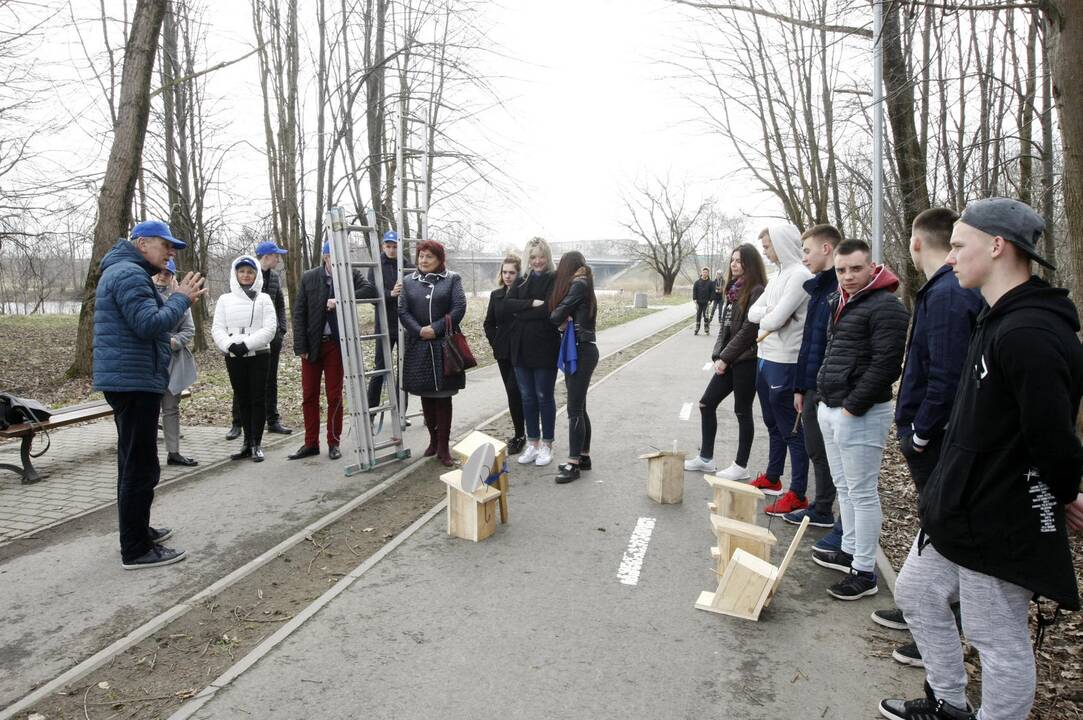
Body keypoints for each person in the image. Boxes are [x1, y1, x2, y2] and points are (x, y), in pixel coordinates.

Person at [881, 198, 1083, 720]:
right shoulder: (995, 319)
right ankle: (948, 702)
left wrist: (1068, 491)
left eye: (959, 246)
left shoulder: (1031, 332)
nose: (949, 258)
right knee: (918, 592)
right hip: (962, 507)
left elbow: (1052, 434)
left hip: (1001, 515)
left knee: (996, 638)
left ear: (997, 247)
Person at [871, 208, 982, 668]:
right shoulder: (944, 289)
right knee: (935, 521)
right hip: (936, 432)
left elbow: (946, 372)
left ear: (917, 244)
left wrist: (919, 432)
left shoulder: (950, 294)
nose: (955, 256)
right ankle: (922, 608)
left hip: (935, 436)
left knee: (946, 527)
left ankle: (938, 627)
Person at [93, 219, 206, 569]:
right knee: (140, 466)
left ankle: (137, 531)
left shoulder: (126, 270)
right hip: (133, 381)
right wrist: (181, 300)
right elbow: (148, 324)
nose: (171, 252)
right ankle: (136, 549)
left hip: (131, 378)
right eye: (165, 245)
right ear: (142, 243)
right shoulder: (128, 273)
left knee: (132, 462)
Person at [810, 239, 909, 600]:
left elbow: (887, 365)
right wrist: (825, 400)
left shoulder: (887, 306)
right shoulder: (840, 301)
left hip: (861, 412)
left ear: (872, 267)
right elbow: (833, 352)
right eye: (841, 270)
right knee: (845, 487)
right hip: (832, 407)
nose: (848, 276)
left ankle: (864, 571)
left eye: (855, 268)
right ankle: (849, 550)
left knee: (862, 491)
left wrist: (852, 406)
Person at [684, 244, 767, 477]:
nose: (734, 264)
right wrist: (718, 356)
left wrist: (726, 357)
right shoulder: (732, 290)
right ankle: (706, 459)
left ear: (750, 263)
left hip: (747, 360)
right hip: (730, 359)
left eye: (739, 261)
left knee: (742, 411)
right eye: (732, 260)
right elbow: (725, 328)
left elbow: (749, 330)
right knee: (706, 403)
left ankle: (741, 466)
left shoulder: (757, 290)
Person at [746, 225, 813, 510]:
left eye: (767, 244)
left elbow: (773, 321)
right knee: (772, 423)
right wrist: (771, 314)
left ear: (782, 243)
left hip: (785, 360)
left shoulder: (799, 275)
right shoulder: (778, 276)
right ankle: (773, 477)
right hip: (765, 356)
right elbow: (753, 313)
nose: (764, 250)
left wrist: (770, 316)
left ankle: (797, 492)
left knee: (791, 428)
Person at [289, 241, 374, 461]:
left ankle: (333, 442)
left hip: (337, 344)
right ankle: (310, 443)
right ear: (325, 257)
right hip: (312, 345)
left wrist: (342, 300)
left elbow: (369, 289)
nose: (336, 263)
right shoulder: (310, 277)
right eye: (332, 258)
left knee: (334, 396)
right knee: (309, 395)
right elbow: (299, 313)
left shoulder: (350, 274)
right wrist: (301, 347)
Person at [783, 224, 841, 530]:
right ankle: (821, 506)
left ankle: (823, 508)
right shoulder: (819, 288)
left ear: (826, 249)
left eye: (807, 250)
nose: (804, 257)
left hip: (827, 384)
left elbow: (830, 344)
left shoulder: (836, 290)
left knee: (824, 450)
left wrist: (814, 385)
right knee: (816, 448)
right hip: (811, 383)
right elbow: (809, 343)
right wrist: (800, 387)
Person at [397, 240, 467, 466]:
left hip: (443, 345)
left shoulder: (452, 279)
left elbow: (459, 307)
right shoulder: (408, 282)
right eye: (421, 256)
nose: (424, 260)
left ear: (439, 259)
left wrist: (435, 328)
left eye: (429, 257)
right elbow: (402, 310)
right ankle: (433, 441)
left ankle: (444, 447)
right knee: (426, 395)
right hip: (418, 345)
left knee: (443, 397)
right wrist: (419, 330)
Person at [212, 256, 277, 463]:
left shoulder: (264, 298)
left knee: (258, 399)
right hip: (234, 356)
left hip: (258, 355)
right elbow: (217, 328)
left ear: (256, 274)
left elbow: (270, 329)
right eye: (242, 271)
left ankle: (257, 444)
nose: (246, 275)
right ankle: (246, 443)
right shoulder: (224, 299)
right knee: (243, 399)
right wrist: (229, 346)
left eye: (250, 272)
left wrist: (247, 344)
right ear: (235, 273)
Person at [226, 240, 291, 438]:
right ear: (266, 256)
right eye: (276, 255)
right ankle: (238, 423)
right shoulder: (248, 275)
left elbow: (279, 304)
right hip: (247, 339)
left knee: (270, 379)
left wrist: (281, 329)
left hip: (271, 338)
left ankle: (272, 420)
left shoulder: (275, 278)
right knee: (243, 381)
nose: (278, 258)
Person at [505, 237, 561, 467]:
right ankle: (533, 443)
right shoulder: (521, 281)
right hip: (521, 348)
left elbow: (549, 310)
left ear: (547, 257)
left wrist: (524, 309)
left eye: (542, 256)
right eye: (533, 257)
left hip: (545, 346)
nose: (538, 261)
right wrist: (531, 304)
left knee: (543, 396)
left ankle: (547, 444)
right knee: (527, 398)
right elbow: (508, 306)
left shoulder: (554, 280)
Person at [549, 251, 599, 483]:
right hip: (582, 348)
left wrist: (562, 316)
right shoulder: (585, 283)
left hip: (579, 350)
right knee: (580, 406)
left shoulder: (578, 284)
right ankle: (583, 456)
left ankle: (573, 464)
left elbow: (555, 315)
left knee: (574, 410)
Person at [366, 230, 414, 421]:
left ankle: (401, 413)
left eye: (395, 247)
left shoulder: (407, 265)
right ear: (382, 246)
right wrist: (390, 294)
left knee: (404, 371)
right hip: (384, 325)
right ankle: (371, 413)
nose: (392, 250)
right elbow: (371, 293)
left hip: (404, 325)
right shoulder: (375, 266)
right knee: (381, 368)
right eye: (388, 246)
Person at [154, 259, 198, 467]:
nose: (163, 276)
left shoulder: (181, 298)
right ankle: (146, 455)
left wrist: (175, 342)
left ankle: (174, 452)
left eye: (167, 273)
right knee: (149, 411)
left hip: (173, 361)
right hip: (150, 362)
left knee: (171, 409)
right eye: (160, 272)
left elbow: (189, 329)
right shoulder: (145, 293)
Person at [483, 255, 526, 454]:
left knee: (516, 390)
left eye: (512, 272)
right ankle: (520, 433)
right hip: (503, 352)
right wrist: (496, 341)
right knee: (512, 393)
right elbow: (488, 323)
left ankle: (523, 434)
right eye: (505, 272)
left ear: (519, 274)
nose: (507, 276)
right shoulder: (496, 295)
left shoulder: (524, 294)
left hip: (522, 351)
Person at [692, 267, 714, 335]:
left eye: (706, 272)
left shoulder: (711, 283)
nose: (705, 273)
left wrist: (710, 300)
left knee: (706, 315)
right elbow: (694, 291)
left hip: (706, 302)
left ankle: (706, 328)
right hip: (698, 302)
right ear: (702, 273)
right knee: (698, 315)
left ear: (708, 273)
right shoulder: (697, 282)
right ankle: (697, 328)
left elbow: (712, 292)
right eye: (704, 272)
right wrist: (694, 299)